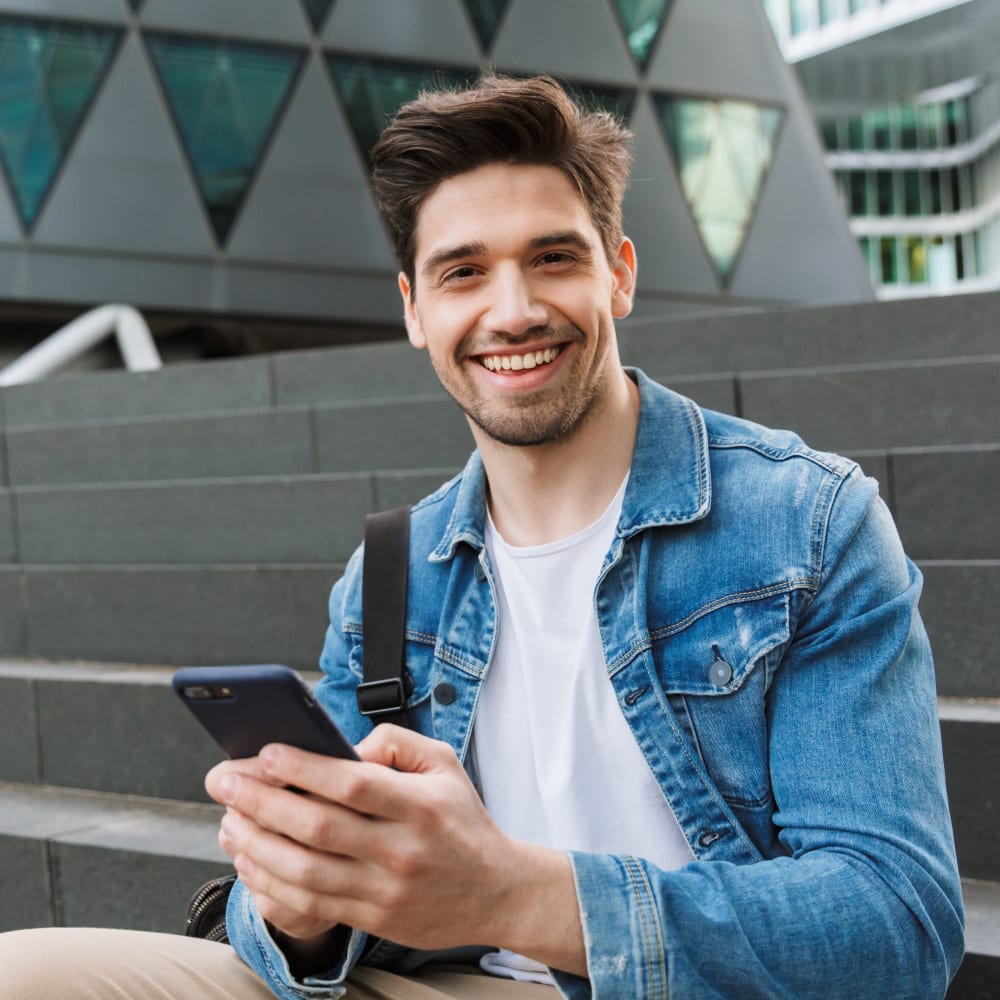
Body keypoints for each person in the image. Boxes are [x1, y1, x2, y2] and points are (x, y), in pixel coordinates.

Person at [0, 74, 964, 1000]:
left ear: (618, 274)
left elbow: (896, 926)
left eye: (553, 257)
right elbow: (312, 923)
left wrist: (517, 894)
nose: (512, 311)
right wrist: (302, 904)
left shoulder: (806, 523)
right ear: (416, 311)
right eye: (464, 272)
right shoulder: (391, 572)